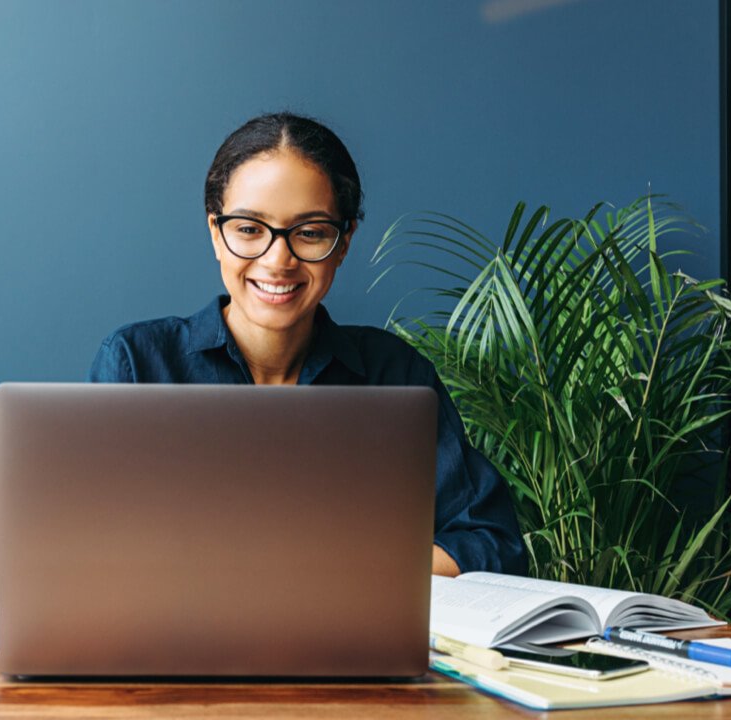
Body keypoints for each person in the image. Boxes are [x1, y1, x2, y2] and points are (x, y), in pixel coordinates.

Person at [89, 112, 526, 577]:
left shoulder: (394, 377)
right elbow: (85, 549)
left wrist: (340, 574)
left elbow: (491, 541)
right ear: (216, 233)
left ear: (344, 242)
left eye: (311, 232)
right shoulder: (138, 364)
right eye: (249, 229)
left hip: (349, 642)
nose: (278, 260)